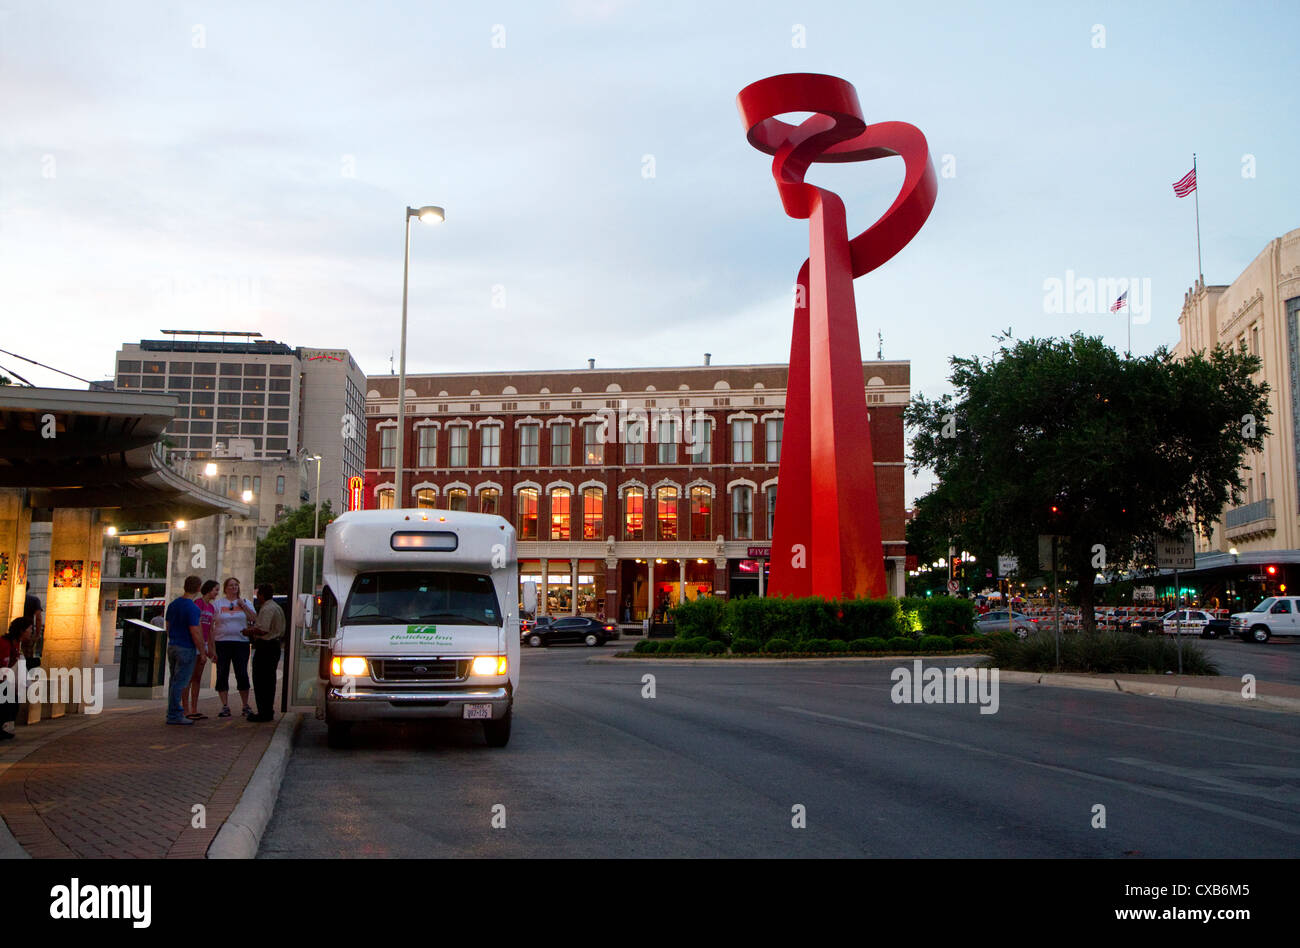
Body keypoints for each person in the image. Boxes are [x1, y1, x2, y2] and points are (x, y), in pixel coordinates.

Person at [212, 577, 257, 718]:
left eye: (236, 585)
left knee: (242, 673)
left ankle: (245, 704)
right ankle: (224, 705)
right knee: (222, 672)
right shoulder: (218, 604)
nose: (233, 588)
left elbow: (255, 619)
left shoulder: (246, 602)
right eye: (231, 586)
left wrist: (243, 605)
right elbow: (212, 624)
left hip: (241, 642)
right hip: (222, 642)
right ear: (225, 588)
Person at [164, 576, 204, 726]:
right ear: (198, 588)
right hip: (186, 647)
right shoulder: (193, 608)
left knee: (173, 681)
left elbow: (168, 626)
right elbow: (195, 631)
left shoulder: (173, 605)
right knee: (181, 682)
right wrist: (202, 651)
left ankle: (171, 711)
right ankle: (175, 714)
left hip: (173, 645)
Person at [245, 583, 285, 722]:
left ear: (261, 595)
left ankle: (264, 711)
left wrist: (249, 631)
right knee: (269, 680)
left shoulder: (267, 608)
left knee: (261, 680)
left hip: (266, 645)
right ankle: (267, 710)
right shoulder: (276, 607)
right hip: (273, 645)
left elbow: (263, 629)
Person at [184, 580, 220, 720]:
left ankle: (194, 708)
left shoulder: (211, 608)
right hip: (194, 644)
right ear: (209, 590)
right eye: (215, 590)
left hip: (204, 643)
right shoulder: (197, 604)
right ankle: (186, 708)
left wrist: (212, 649)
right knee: (189, 677)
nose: (217, 593)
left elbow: (211, 629)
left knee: (197, 677)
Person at [0, 616, 33, 740]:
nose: (31, 632)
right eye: (30, 629)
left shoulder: (15, 645)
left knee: (13, 695)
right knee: (9, 695)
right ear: (21, 631)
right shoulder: (4, 644)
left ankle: (5, 725)